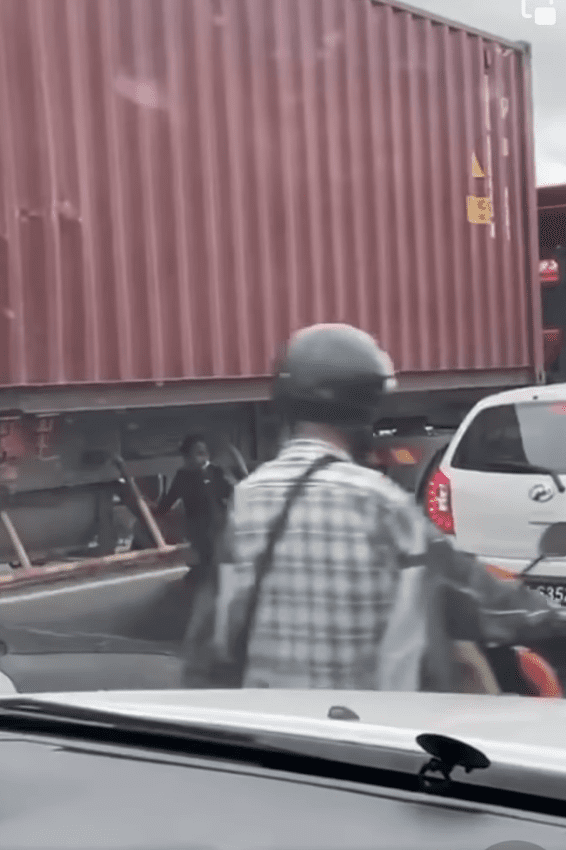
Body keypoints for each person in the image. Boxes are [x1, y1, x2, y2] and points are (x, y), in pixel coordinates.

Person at [219, 323, 566, 691]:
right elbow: (482, 599)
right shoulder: (381, 504)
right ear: (365, 407)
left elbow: (216, 635)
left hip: (269, 732)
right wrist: (552, 620)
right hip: (366, 735)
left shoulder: (246, 499)